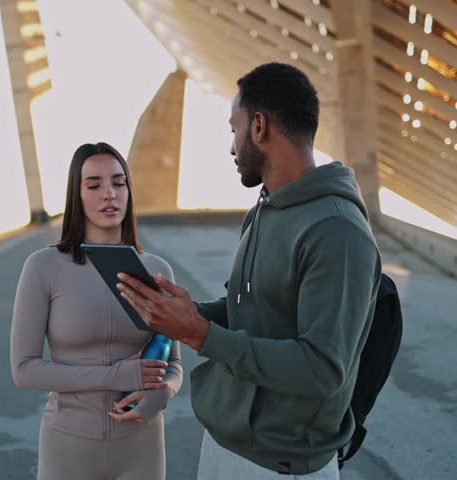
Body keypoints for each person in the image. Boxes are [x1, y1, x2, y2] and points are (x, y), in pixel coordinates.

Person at [116, 63, 382, 479]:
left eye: (233, 128)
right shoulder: (265, 210)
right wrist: (190, 312)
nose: (231, 146)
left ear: (259, 127)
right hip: (225, 445)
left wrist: (199, 335)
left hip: (282, 466)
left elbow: (322, 369)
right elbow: (255, 310)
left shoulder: (337, 230)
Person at [10, 142, 182, 480]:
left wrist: (163, 394)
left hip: (142, 446)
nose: (109, 194)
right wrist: (113, 376)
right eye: (94, 185)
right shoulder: (44, 267)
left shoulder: (157, 270)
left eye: (119, 183)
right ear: (77, 195)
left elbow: (173, 364)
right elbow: (24, 369)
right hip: (68, 447)